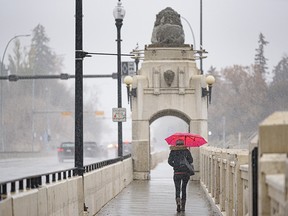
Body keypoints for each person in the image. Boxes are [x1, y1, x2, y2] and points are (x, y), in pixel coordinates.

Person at [168, 139, 193, 212]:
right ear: (183, 144)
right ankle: (183, 206)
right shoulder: (187, 151)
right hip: (185, 173)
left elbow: (169, 161)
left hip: (177, 173)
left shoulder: (173, 151)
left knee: (177, 188)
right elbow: (191, 161)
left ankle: (178, 202)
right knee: (184, 188)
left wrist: (175, 166)